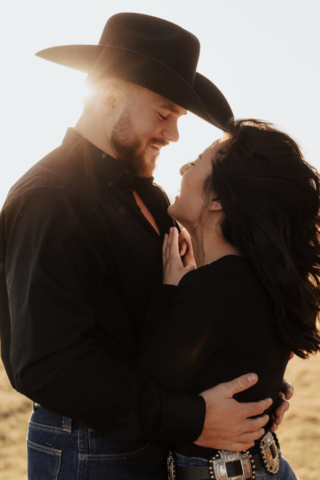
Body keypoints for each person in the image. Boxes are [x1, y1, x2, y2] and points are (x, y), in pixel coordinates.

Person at [0, 13, 291, 480]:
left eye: (177, 117)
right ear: (110, 95)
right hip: (88, 451)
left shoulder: (151, 196)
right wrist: (195, 418)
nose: (173, 135)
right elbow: (46, 363)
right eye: (163, 113)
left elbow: (171, 324)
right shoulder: (51, 198)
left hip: (152, 442)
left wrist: (247, 385)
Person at [133, 119, 320, 479]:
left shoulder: (211, 286)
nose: (182, 168)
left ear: (218, 199)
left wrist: (169, 290)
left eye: (196, 162)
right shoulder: (263, 279)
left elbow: (148, 387)